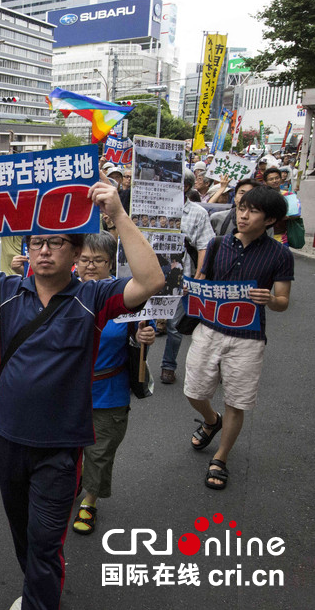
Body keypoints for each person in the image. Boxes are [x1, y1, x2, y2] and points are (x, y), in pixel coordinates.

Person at [0, 181, 163, 610]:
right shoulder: (4, 291)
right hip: (8, 441)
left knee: (44, 540)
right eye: (37, 241)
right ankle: (39, 583)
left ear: (76, 254)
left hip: (60, 447)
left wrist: (116, 211)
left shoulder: (92, 298)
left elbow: (151, 279)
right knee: (25, 535)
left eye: (56, 242)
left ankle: (41, 604)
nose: (43, 251)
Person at [185, 186, 293, 490]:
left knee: (237, 400)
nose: (243, 215)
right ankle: (210, 419)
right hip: (209, 329)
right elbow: (204, 281)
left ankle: (220, 457)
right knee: (193, 390)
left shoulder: (280, 255)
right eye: (241, 207)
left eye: (253, 210)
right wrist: (191, 287)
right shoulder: (218, 245)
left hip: (248, 337)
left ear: (270, 219)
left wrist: (269, 298)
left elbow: (283, 301)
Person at [70, 233, 155, 535]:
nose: (90, 266)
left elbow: (142, 332)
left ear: (111, 263)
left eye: (99, 260)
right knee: (67, 447)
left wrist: (143, 337)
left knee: (100, 450)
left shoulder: (127, 297)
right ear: (75, 260)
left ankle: (89, 502)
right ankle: (72, 483)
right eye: (84, 260)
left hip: (109, 391)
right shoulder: (61, 291)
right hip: (67, 392)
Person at [160, 169, 215, 385]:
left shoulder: (198, 213)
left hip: (181, 276)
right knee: (141, 322)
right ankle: (137, 365)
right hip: (151, 273)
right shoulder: (152, 207)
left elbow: (204, 246)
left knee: (174, 325)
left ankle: (168, 366)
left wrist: (199, 277)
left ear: (185, 187)